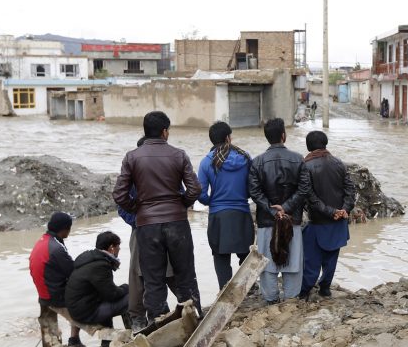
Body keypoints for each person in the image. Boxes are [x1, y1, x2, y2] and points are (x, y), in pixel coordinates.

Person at [113, 110, 202, 323]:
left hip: (147, 226)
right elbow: (194, 189)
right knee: (185, 275)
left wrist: (139, 209)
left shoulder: (132, 157)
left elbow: (119, 194)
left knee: (153, 280)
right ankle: (195, 317)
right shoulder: (179, 155)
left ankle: (157, 322)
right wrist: (181, 205)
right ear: (165, 132)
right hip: (177, 223)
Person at [248, 117, 312, 303]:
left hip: (267, 220)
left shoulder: (257, 162)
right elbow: (304, 189)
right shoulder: (298, 159)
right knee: (293, 260)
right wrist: (287, 208)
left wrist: (272, 210)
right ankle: (291, 297)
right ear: (284, 135)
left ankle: (270, 298)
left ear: (268, 137)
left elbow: (254, 191)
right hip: (292, 220)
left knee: (266, 260)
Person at [196, 121, 254, 289]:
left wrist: (212, 202)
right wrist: (244, 196)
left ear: (212, 140)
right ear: (228, 137)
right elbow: (253, 186)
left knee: (221, 257)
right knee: (245, 254)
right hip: (242, 213)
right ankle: (247, 288)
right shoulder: (245, 157)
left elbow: (201, 194)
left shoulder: (206, 162)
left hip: (218, 216)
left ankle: (225, 290)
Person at [300, 130, 355, 301]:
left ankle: (305, 291)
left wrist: (332, 212)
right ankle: (325, 288)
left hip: (318, 221)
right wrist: (344, 210)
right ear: (325, 144)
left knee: (311, 260)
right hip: (339, 221)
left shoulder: (306, 166)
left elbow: (311, 197)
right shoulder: (339, 163)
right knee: (331, 259)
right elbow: (350, 190)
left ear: (309, 146)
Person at [28, 211, 84, 347]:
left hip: (42, 294)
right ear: (65, 229)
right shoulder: (56, 248)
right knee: (82, 295)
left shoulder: (42, 241)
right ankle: (74, 341)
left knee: (48, 326)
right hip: (54, 295)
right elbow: (72, 271)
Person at [65, 231, 131, 347]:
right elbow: (112, 294)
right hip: (86, 313)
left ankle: (107, 342)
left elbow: (106, 291)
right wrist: (127, 288)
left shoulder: (90, 259)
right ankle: (135, 333)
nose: (119, 249)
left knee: (108, 297)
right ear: (111, 248)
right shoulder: (100, 265)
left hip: (77, 308)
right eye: (118, 246)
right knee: (132, 298)